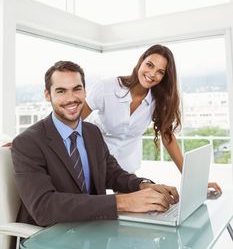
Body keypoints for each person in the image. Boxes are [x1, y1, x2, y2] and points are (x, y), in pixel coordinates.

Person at [11, 60, 179, 227]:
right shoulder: (27, 143)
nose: (71, 98)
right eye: (61, 91)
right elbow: (44, 207)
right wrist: (121, 202)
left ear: (85, 92)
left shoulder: (92, 132)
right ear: (48, 95)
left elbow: (112, 174)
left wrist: (144, 185)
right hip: (48, 236)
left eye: (77, 89)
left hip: (91, 228)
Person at [82, 44, 221, 193]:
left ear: (164, 77)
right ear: (141, 61)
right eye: (149, 65)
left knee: (137, 211)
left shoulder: (158, 100)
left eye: (160, 72)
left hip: (125, 172)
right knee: (94, 210)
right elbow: (73, 122)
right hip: (92, 165)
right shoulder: (107, 88)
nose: (152, 74)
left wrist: (194, 180)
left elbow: (168, 137)